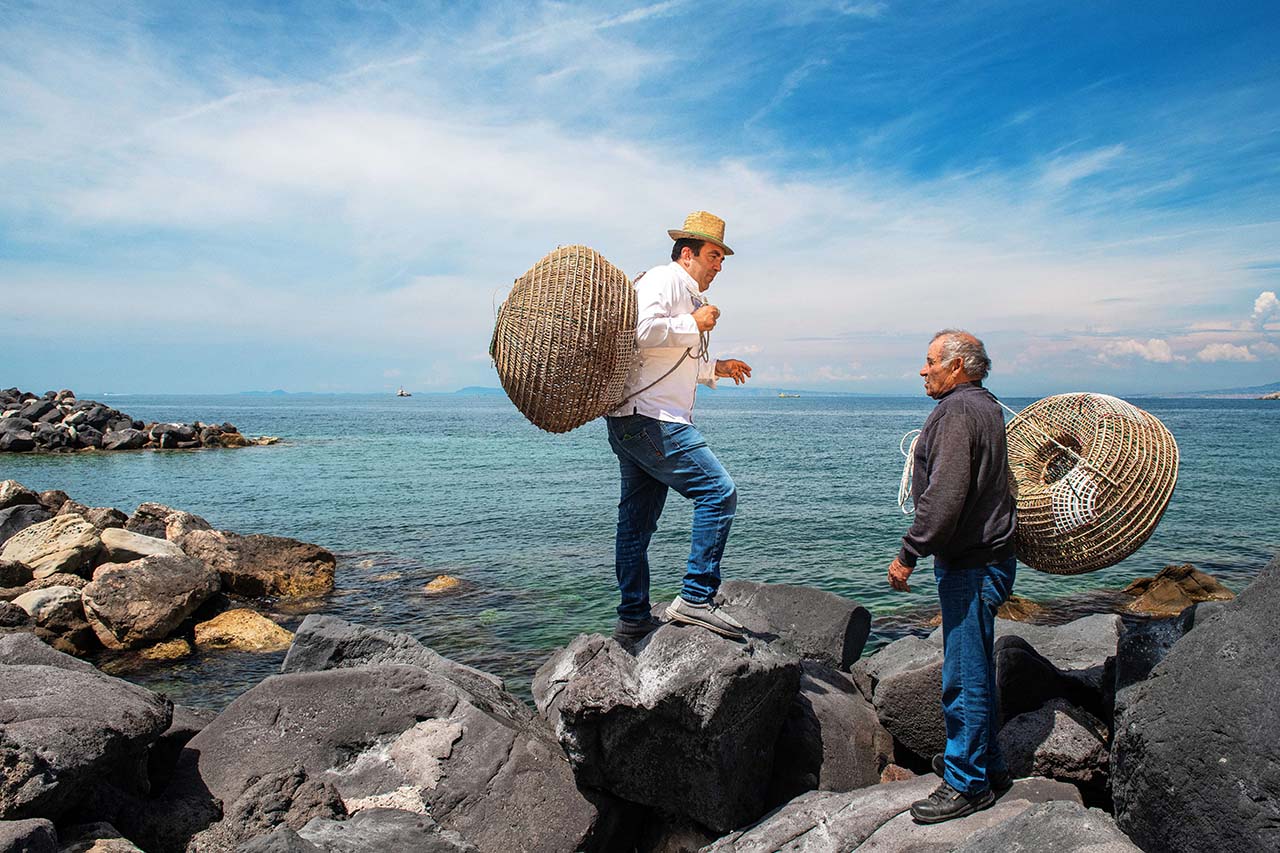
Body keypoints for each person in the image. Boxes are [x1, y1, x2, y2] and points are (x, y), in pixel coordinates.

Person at [604, 211, 753, 642]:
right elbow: (642, 332)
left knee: (636, 524)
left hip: (634, 420)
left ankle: (632, 618)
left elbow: (673, 359)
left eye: (723, 258)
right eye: (713, 255)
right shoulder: (663, 280)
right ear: (687, 254)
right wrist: (695, 324)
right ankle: (695, 598)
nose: (719, 265)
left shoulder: (685, 292)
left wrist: (716, 368)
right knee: (718, 492)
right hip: (654, 420)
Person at [887, 329, 1017, 824]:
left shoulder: (959, 412)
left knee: (962, 676)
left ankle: (966, 784)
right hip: (988, 559)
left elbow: (945, 495)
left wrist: (908, 553)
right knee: (977, 667)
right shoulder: (985, 405)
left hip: (972, 564)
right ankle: (989, 767)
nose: (923, 370)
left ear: (957, 366)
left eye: (930, 362)